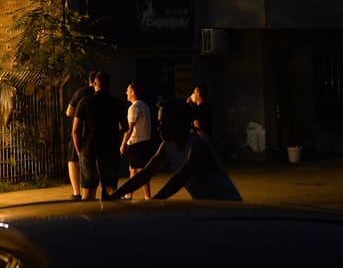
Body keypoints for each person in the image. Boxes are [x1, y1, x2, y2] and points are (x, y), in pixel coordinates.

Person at [112, 99, 242, 202]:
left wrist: (155, 202)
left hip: (229, 207)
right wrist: (115, 195)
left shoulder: (198, 145)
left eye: (164, 122)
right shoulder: (167, 146)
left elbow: (180, 178)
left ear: (179, 123)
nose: (159, 127)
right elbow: (146, 173)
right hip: (209, 208)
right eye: (159, 122)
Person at [73, 70, 126, 201]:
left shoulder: (84, 102)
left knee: (88, 191)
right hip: (110, 150)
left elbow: (75, 130)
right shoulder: (117, 103)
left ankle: (90, 213)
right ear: (109, 85)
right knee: (111, 190)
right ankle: (109, 213)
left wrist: (79, 150)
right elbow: (125, 127)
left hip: (89, 150)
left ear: (95, 83)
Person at [118, 81, 156, 200]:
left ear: (133, 92)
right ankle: (132, 194)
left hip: (136, 143)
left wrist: (123, 144)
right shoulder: (145, 106)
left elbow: (129, 129)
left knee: (138, 170)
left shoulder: (133, 108)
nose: (126, 93)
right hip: (145, 142)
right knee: (134, 170)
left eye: (128, 90)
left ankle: (145, 196)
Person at [63, 72, 95, 200]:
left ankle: (77, 193)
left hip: (81, 131)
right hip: (96, 133)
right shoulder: (102, 95)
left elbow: (68, 112)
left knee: (73, 162)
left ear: (90, 81)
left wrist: (78, 115)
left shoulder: (81, 93)